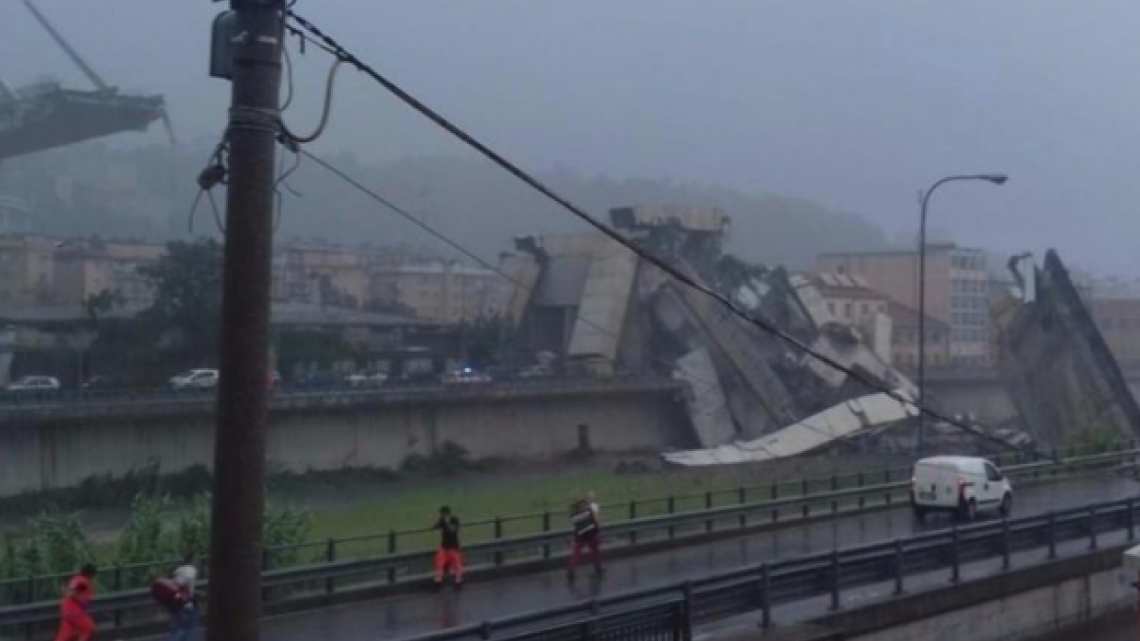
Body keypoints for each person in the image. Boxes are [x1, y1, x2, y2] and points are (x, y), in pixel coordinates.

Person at [53, 563, 97, 641]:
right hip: (74, 611)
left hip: (66, 609)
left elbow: (67, 591)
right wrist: (81, 600)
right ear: (90, 574)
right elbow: (72, 593)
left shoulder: (76, 579)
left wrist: (66, 592)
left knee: (64, 635)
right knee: (89, 628)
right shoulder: (83, 581)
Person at [568, 491, 603, 579]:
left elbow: (573, 521)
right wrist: (598, 528)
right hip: (591, 531)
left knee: (576, 552)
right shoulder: (593, 506)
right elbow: (596, 518)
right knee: (595, 550)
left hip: (580, 533)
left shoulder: (576, 509)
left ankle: (571, 568)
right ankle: (598, 568)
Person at [167, 553, 199, 641]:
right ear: (192, 561)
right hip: (185, 604)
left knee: (176, 628)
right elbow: (189, 591)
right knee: (188, 627)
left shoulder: (177, 571)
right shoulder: (192, 570)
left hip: (172, 603)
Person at [433, 506, 464, 587]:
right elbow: (434, 527)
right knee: (438, 563)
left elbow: (452, 530)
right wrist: (440, 521)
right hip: (444, 546)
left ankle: (458, 582)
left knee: (457, 564)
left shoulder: (454, 520)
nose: (441, 515)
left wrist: (447, 522)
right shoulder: (442, 521)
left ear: (446, 513)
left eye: (442, 514)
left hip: (453, 546)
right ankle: (438, 582)